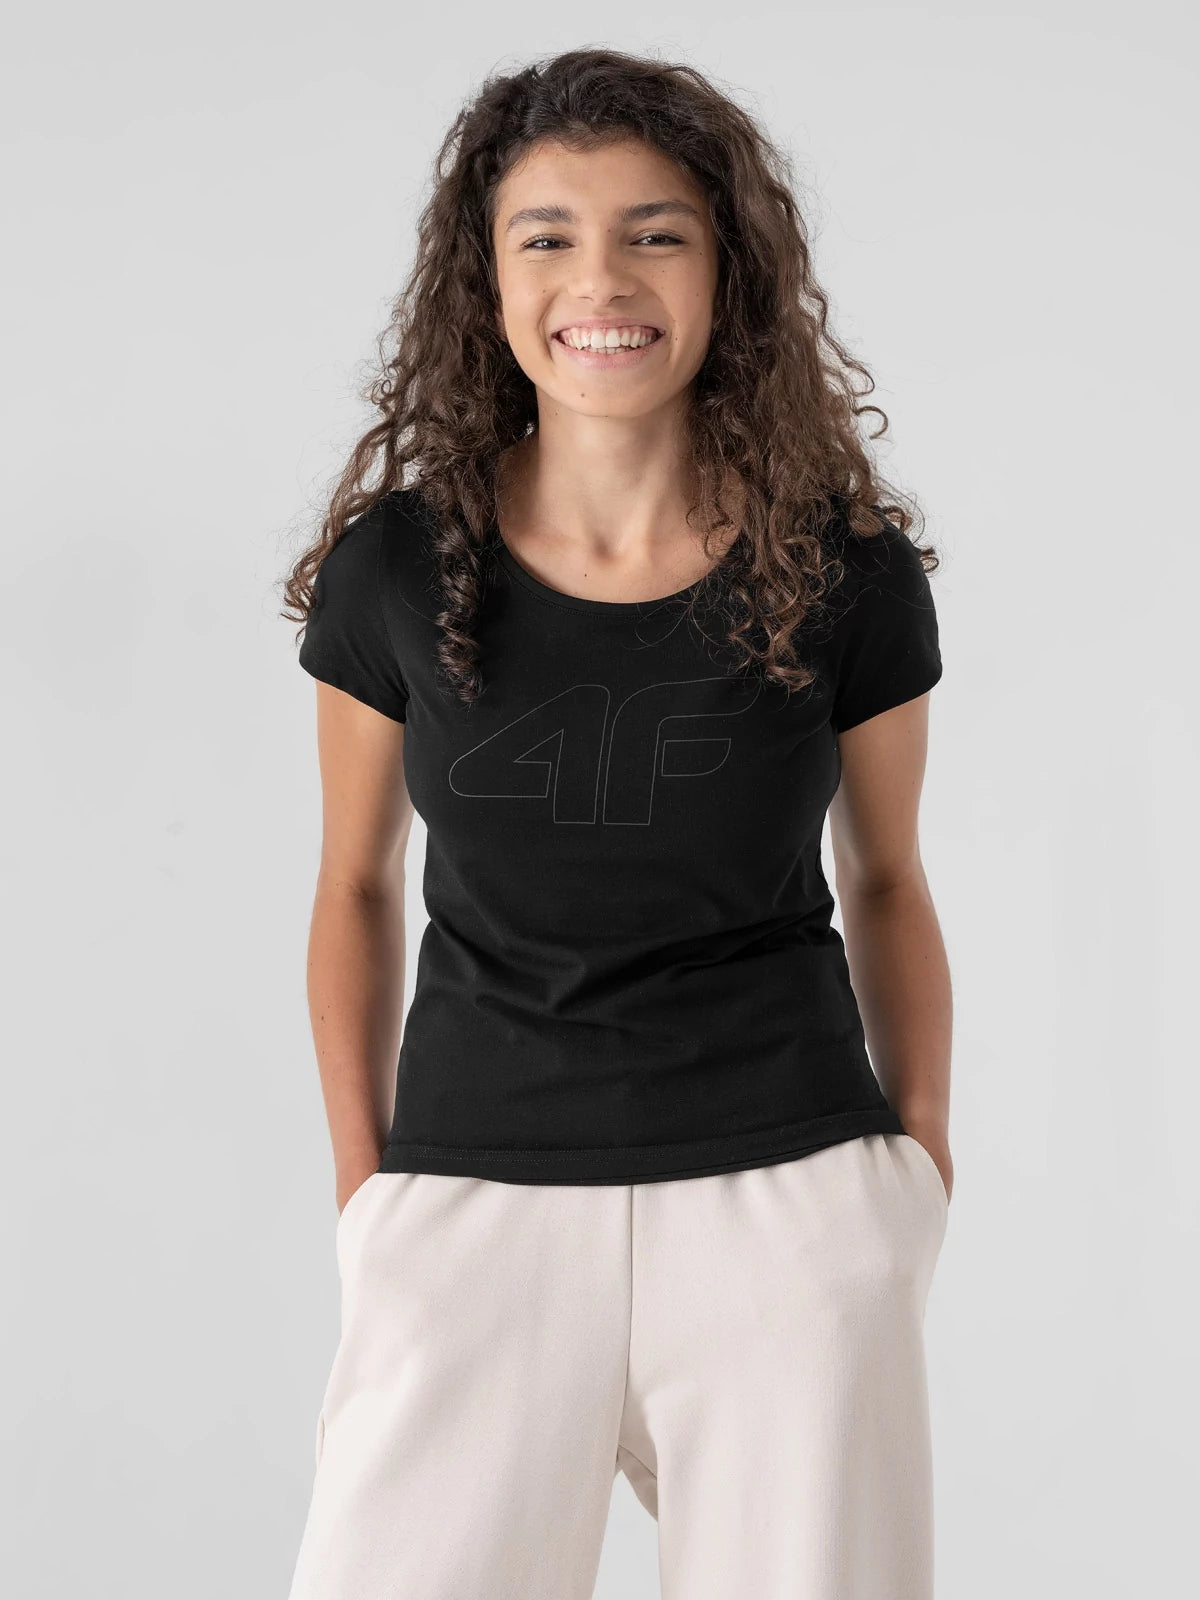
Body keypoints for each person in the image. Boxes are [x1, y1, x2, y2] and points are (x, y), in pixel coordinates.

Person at [280, 45, 953, 1600]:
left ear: (727, 274)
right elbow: (354, 885)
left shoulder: (842, 571)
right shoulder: (398, 570)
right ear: (489, 280)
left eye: (656, 233)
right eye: (550, 236)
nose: (602, 280)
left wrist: (917, 1166)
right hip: (476, 1195)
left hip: (787, 1201)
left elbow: (889, 878)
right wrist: (371, 1196)